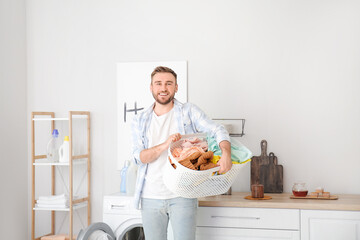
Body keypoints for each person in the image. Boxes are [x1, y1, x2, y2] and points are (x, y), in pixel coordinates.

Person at [131, 66, 232, 240]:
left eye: (169, 83)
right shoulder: (139, 119)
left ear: (176, 87)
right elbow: (139, 157)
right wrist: (165, 145)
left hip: (183, 195)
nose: (163, 88)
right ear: (151, 87)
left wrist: (226, 153)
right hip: (150, 197)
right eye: (159, 83)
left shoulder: (189, 112)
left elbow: (217, 129)